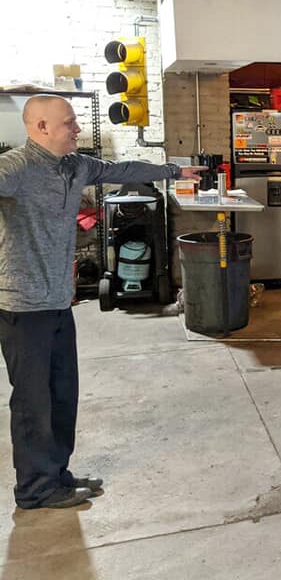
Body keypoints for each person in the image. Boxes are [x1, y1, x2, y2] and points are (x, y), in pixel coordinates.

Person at [0, 95, 204, 508]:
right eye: (69, 123)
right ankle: (36, 489)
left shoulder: (75, 166)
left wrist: (174, 170)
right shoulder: (17, 167)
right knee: (33, 401)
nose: (77, 129)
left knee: (62, 393)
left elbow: (123, 169)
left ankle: (56, 474)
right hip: (23, 306)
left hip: (59, 300)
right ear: (40, 127)